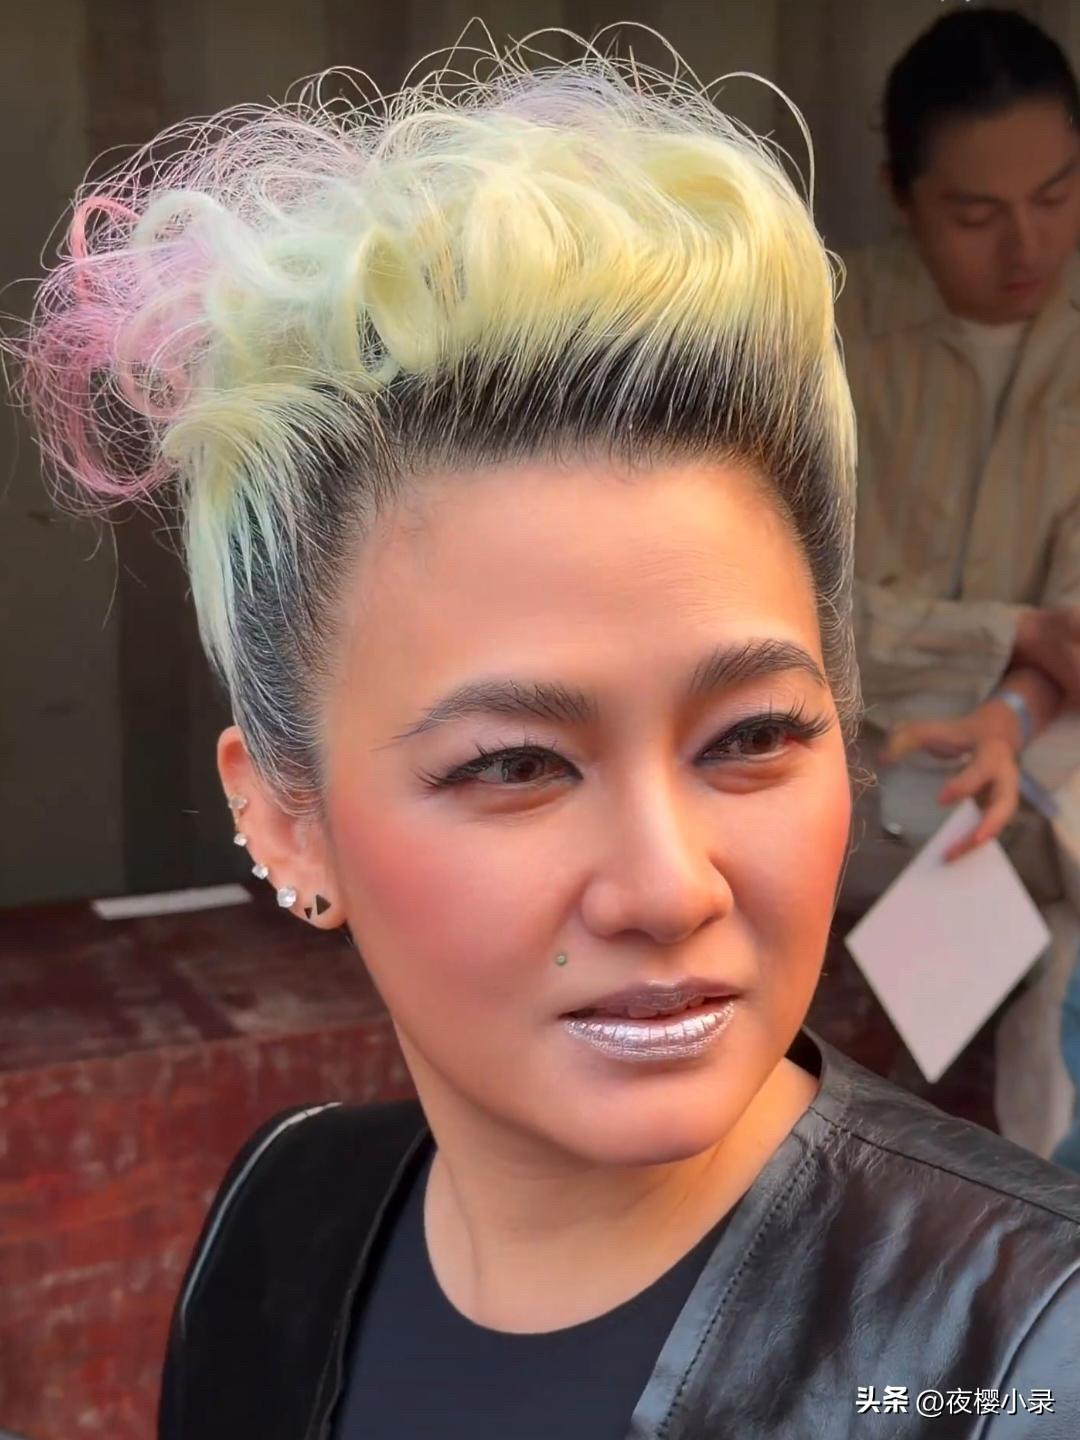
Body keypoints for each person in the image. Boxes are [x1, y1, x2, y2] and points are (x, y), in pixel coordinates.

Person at [8, 32, 1080, 1440]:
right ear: (284, 817)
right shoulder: (287, 1225)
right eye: (516, 764)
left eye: (752, 735)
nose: (669, 888)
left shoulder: (1024, 1351)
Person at [835, 7, 1080, 1166]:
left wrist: (1013, 705)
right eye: (976, 216)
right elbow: (805, 613)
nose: (1026, 246)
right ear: (900, 192)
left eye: (1058, 195)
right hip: (861, 753)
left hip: (1034, 749)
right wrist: (1012, 632)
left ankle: (1040, 1211)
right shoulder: (826, 339)